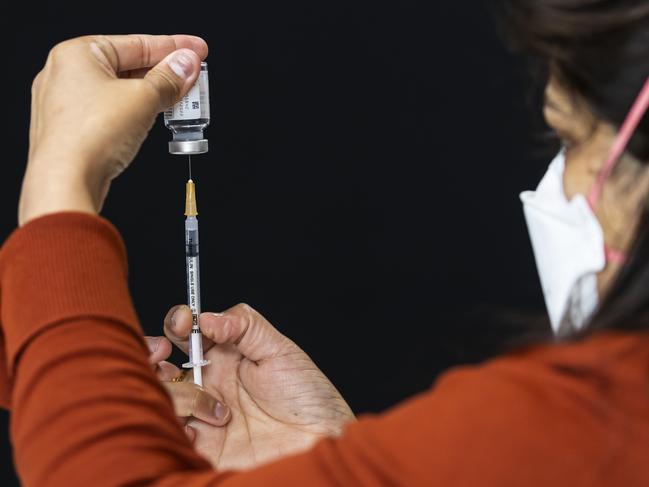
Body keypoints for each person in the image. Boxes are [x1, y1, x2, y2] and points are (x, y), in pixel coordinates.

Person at [2, 1, 649, 485]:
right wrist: (339, 460)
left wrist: (59, 184)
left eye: (567, 138)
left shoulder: (590, 420)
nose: (557, 181)